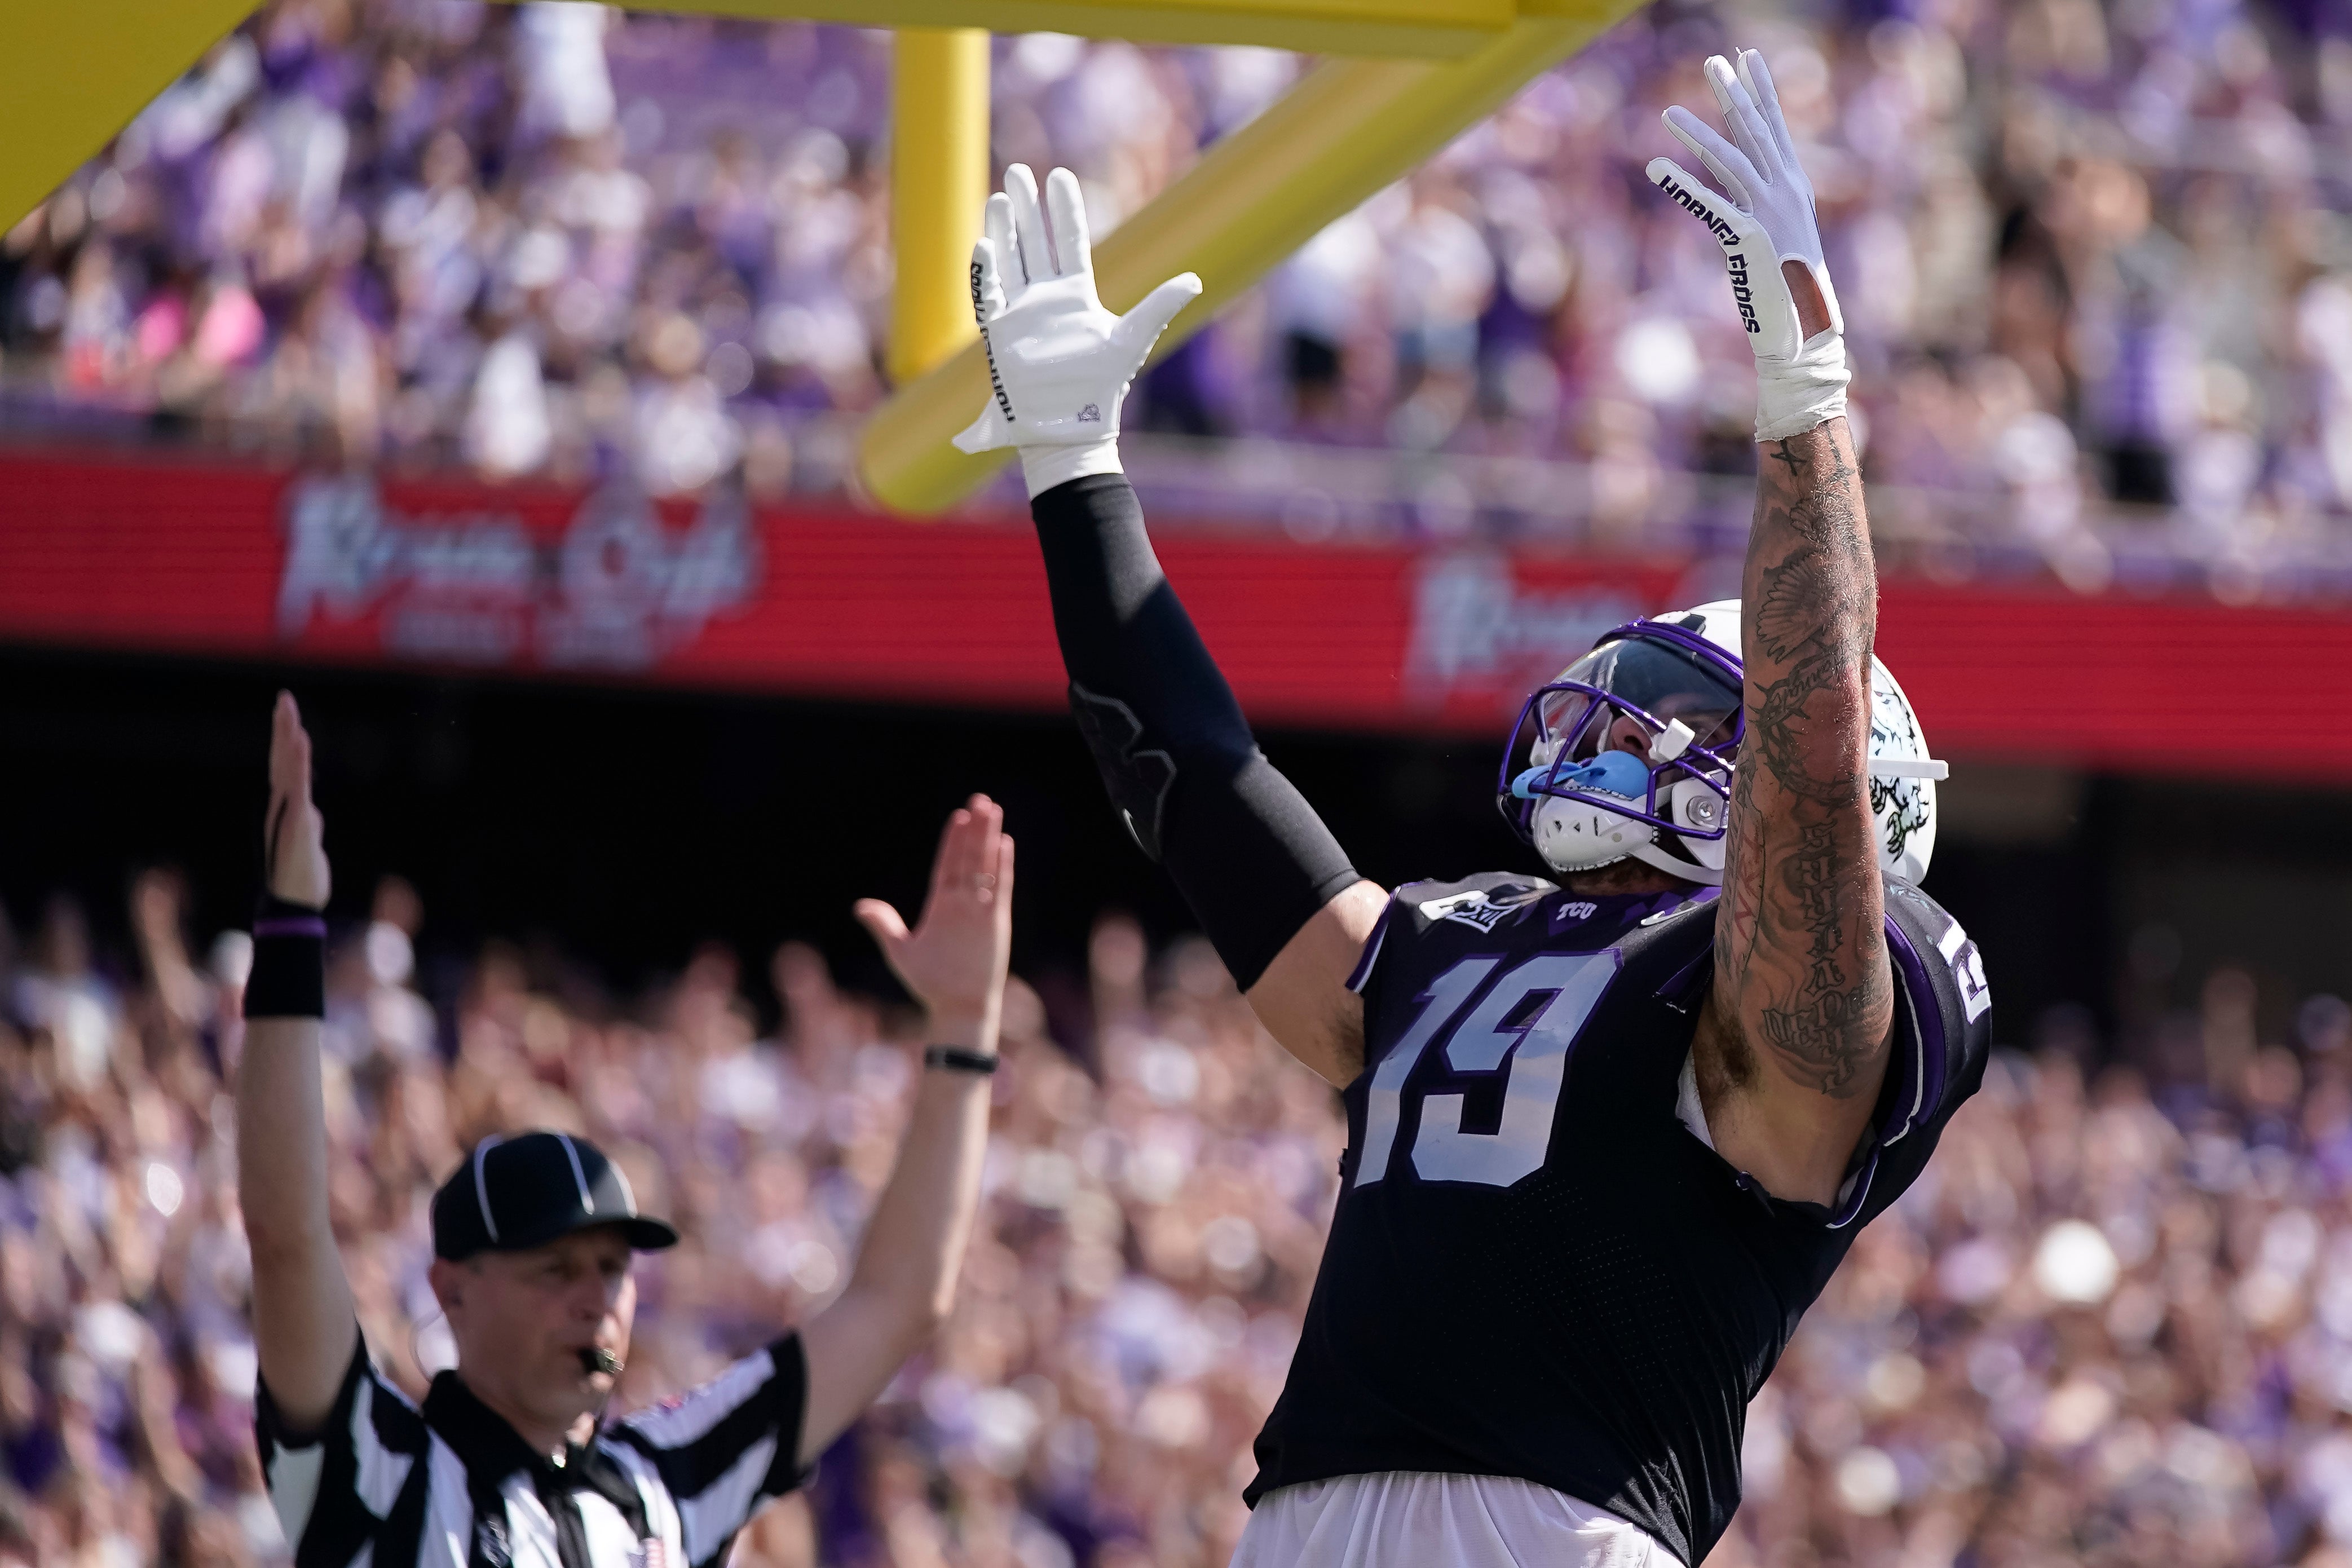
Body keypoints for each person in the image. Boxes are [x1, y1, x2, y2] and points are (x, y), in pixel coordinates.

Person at [952, 51, 1993, 1568]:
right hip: (1303, 1518)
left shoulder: (1821, 983)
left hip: (1555, 1529)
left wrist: (1804, 412)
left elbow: (1812, 754)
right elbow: (1193, 783)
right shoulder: (1447, 939)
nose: (1632, 729)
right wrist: (1076, 472)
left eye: (1695, 713)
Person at [236, 691, 1017, 1567]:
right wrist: (293, 927)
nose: (596, 1298)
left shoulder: (668, 1479)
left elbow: (897, 1300)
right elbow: (287, 1234)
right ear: (451, 1289)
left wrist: (962, 1029)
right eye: (555, 1269)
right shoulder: (380, 1471)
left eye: (613, 1268)